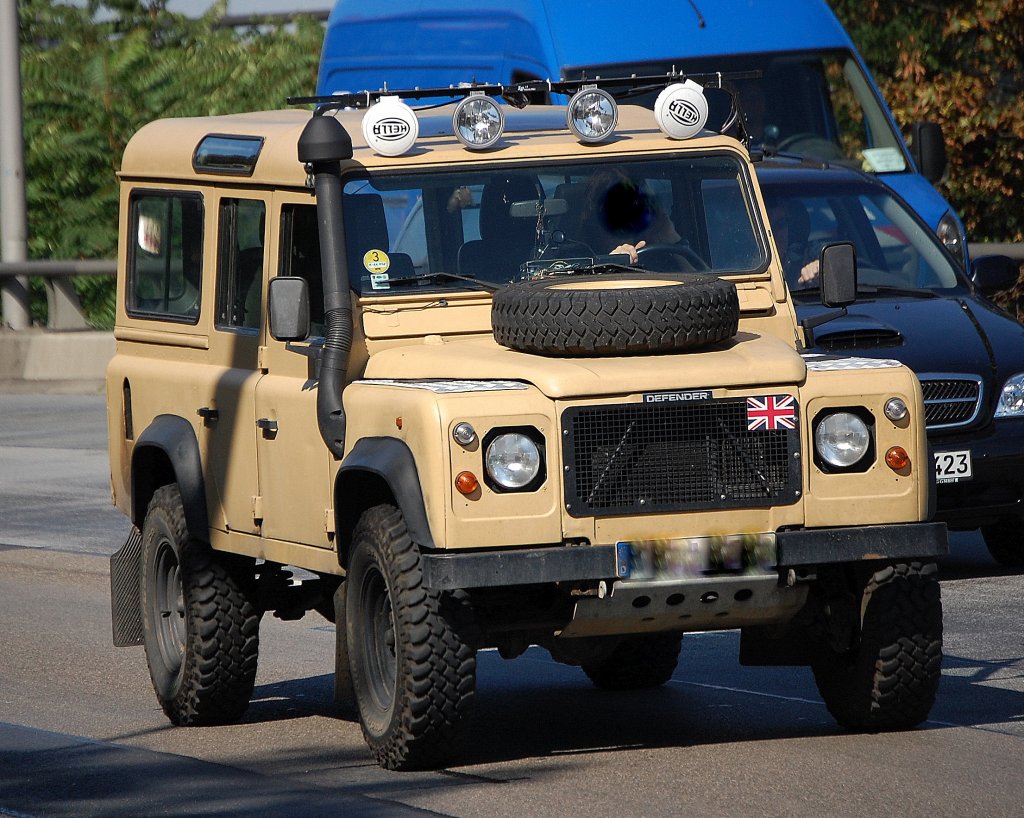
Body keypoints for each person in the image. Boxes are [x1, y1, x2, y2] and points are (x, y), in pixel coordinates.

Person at [579, 169, 681, 264]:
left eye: (637, 204)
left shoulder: (658, 247)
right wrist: (613, 264)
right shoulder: (580, 257)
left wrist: (673, 241)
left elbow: (694, 275)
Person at [767, 198, 819, 287]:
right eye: (768, 225)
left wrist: (820, 268)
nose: (775, 232)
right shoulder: (745, 266)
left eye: (781, 224)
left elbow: (833, 262)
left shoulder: (807, 255)